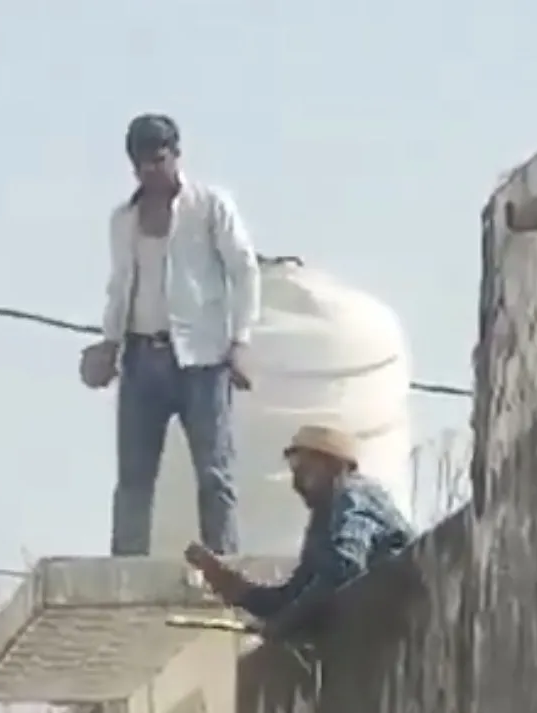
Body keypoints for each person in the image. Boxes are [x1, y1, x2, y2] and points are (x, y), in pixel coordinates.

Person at [79, 113, 261, 556]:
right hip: (142, 357)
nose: (151, 171)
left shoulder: (209, 206)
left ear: (176, 155)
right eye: (142, 163)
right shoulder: (123, 219)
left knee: (214, 473)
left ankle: (224, 565)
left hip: (201, 359)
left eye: (159, 160)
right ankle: (127, 569)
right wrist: (109, 344)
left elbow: (244, 269)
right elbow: (120, 286)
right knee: (134, 479)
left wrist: (240, 340)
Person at [184, 425, 414, 620]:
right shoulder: (324, 519)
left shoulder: (354, 494)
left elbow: (345, 567)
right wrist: (238, 589)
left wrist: (286, 624)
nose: (296, 484)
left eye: (304, 470)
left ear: (334, 467)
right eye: (294, 471)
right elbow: (295, 595)